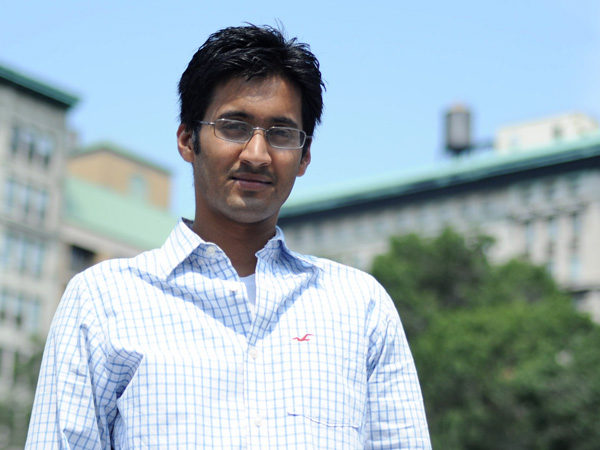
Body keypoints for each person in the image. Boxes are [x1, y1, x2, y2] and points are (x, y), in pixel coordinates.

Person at [25, 24, 431, 449]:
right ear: (187, 139)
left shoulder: (360, 307)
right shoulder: (103, 300)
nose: (256, 154)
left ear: (305, 156)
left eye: (281, 133)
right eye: (234, 126)